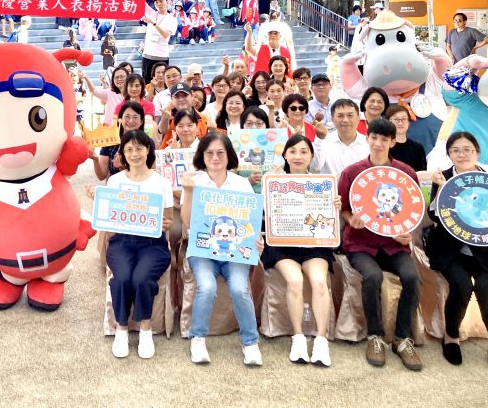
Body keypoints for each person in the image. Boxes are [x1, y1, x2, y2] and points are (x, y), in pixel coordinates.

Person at [425, 132, 488, 371]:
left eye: (467, 149)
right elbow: (432, 215)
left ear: (477, 152)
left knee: (486, 288)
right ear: (449, 154)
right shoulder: (442, 179)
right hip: (450, 251)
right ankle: (451, 336)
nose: (462, 154)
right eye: (456, 150)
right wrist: (440, 190)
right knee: (461, 286)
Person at [338, 118, 422, 371]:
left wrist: (407, 233)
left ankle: (402, 338)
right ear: (367, 138)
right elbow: (343, 208)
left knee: (411, 276)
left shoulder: (406, 174)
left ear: (392, 142)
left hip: (394, 245)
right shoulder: (352, 172)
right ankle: (374, 336)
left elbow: (412, 211)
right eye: (374, 137)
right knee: (372, 276)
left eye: (384, 139)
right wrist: (351, 218)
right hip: (360, 243)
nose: (378, 143)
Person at [180, 132, 263, 366]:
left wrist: (256, 241)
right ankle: (197, 338)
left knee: (239, 288)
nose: (215, 158)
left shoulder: (241, 184)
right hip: (203, 250)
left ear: (229, 156)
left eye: (220, 153)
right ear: (202, 157)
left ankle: (250, 342)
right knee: (206, 287)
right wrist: (187, 192)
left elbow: (250, 222)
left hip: (235, 251)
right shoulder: (194, 180)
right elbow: (186, 222)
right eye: (209, 153)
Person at [260, 134, 336, 366]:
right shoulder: (274, 180)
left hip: (314, 246)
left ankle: (321, 339)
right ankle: (299, 337)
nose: (298, 156)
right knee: (294, 281)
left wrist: (333, 206)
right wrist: (268, 184)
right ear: (285, 155)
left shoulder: (322, 184)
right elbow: (264, 214)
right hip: (282, 245)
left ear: (312, 156)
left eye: (304, 151)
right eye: (292, 151)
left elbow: (329, 224)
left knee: (319, 281)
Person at [104, 130, 175, 359]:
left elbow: (170, 221)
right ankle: (122, 328)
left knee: (141, 278)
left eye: (139, 148)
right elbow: (108, 219)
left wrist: (165, 223)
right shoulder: (115, 181)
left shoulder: (161, 182)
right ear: (123, 154)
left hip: (153, 244)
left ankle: (145, 328)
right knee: (122, 277)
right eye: (129, 149)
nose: (135, 154)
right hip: (122, 242)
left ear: (148, 150)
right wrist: (100, 203)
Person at [87, 101, 146, 183]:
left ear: (141, 121)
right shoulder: (110, 141)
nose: (131, 121)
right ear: (120, 119)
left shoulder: (147, 143)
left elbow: (151, 171)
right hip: (115, 190)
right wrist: (95, 159)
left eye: (135, 117)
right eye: (127, 117)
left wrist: (124, 168)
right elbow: (101, 176)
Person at [319, 98, 369, 176]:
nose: (345, 120)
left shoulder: (368, 144)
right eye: (340, 116)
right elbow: (315, 167)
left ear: (359, 118)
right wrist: (318, 139)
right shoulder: (323, 142)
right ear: (332, 119)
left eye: (350, 115)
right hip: (332, 187)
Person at [141, 0, 176, 84]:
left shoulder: (171, 19)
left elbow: (165, 35)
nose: (159, 4)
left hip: (161, 56)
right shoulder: (151, 13)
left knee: (162, 82)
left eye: (161, 1)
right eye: (156, 2)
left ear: (167, 2)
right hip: (147, 54)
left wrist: (153, 23)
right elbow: (140, 1)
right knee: (146, 82)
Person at [386, 104, 427, 172]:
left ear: (409, 122)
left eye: (404, 119)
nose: (400, 123)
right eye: (396, 119)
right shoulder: (384, 146)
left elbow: (422, 173)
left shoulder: (418, 148)